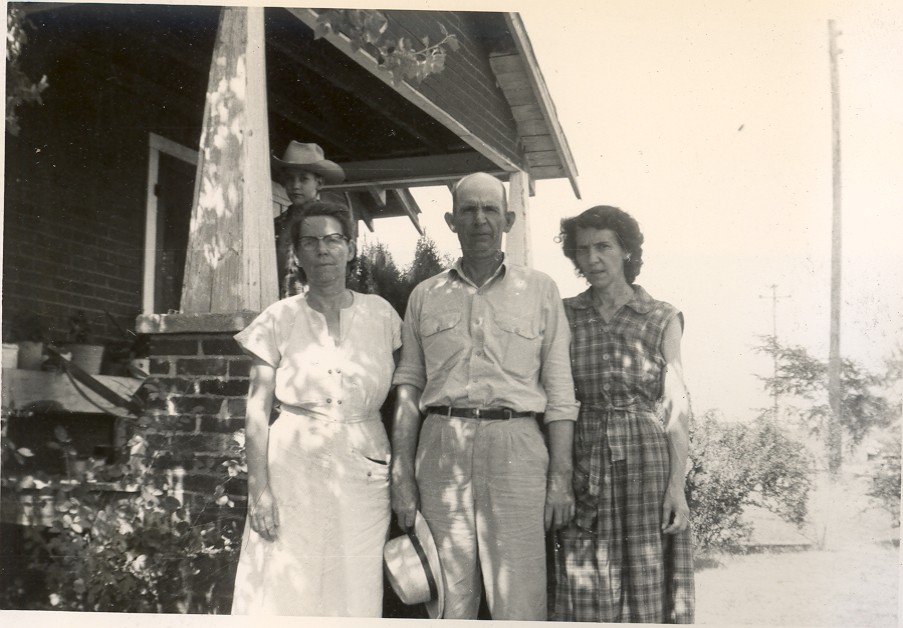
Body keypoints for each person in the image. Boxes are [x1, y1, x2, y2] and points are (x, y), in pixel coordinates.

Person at [390, 172, 579, 620]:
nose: (480, 220)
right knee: (448, 601)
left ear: (508, 220)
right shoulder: (424, 295)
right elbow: (409, 384)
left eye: (490, 209)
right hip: (440, 448)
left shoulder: (540, 290)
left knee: (520, 600)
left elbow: (560, 391)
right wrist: (401, 472)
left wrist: (560, 477)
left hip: (517, 449)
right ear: (451, 221)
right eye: (469, 210)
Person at [230, 201, 402, 616]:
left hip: (364, 469)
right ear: (297, 254)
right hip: (292, 467)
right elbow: (257, 411)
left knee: (355, 583)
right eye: (310, 242)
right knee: (284, 583)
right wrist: (260, 492)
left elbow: (404, 398)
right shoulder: (278, 318)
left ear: (351, 248)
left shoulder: (382, 315)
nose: (322, 250)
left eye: (333, 239)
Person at [551, 205, 695, 623]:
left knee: (646, 574)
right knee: (585, 576)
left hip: (645, 464)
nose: (592, 258)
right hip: (585, 459)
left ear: (627, 250)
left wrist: (677, 487)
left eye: (604, 247)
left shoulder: (661, 316)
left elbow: (676, 405)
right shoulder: (564, 314)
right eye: (583, 249)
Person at [271, 141, 345, 297]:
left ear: (319, 183)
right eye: (290, 179)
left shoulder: (330, 224)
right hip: (278, 304)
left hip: (315, 302)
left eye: (303, 179)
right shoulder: (276, 225)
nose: (295, 185)